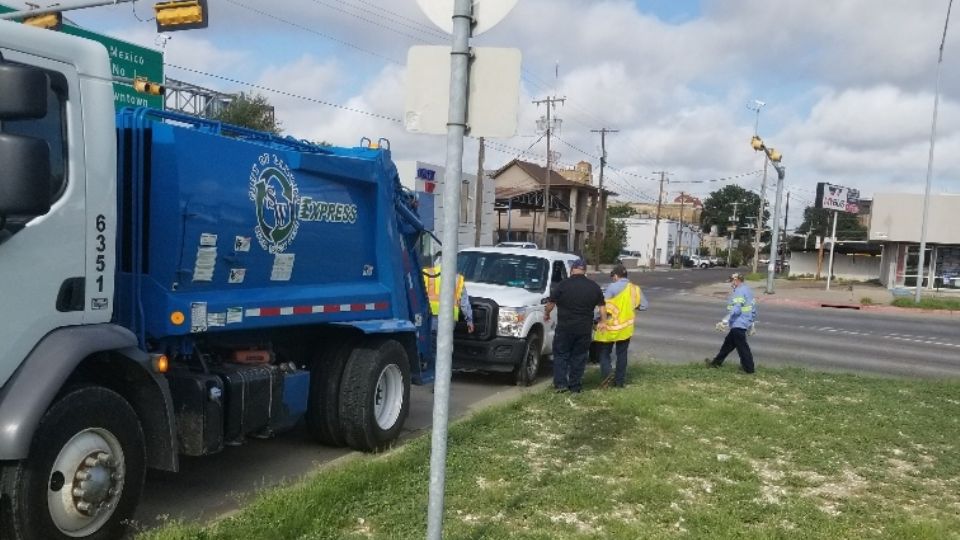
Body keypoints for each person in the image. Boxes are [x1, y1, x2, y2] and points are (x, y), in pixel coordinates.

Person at [545, 258, 606, 393]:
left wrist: (547, 314)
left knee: (561, 355)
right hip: (584, 329)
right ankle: (575, 386)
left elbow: (551, 303)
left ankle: (561, 385)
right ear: (585, 270)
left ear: (572, 269)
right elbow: (602, 307)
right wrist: (603, 322)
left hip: (565, 328)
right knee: (579, 356)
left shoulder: (562, 285)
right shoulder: (594, 287)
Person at [594, 264, 647, 388]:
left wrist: (597, 320)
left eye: (613, 276)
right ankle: (619, 382)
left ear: (616, 276)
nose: (613, 279)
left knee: (604, 353)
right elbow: (644, 306)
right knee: (622, 355)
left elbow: (603, 307)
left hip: (609, 327)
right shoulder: (635, 289)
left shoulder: (612, 287)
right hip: (625, 329)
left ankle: (607, 377)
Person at [705, 272, 757, 373]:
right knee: (727, 345)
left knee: (742, 348)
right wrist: (751, 323)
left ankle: (749, 369)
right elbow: (753, 308)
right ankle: (716, 363)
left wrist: (725, 320)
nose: (731, 283)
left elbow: (736, 309)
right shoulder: (747, 290)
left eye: (732, 280)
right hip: (742, 322)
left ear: (736, 280)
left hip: (739, 323)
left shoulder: (739, 291)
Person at [422, 251, 474, 334]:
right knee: (445, 345)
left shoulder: (426, 273)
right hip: (449, 319)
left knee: (430, 344)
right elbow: (464, 303)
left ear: (437, 260)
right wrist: (469, 321)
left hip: (429, 317)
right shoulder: (457, 278)